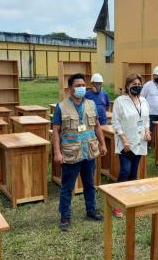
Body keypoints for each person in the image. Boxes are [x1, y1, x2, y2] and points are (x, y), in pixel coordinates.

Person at [52, 73, 108, 231]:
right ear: (70, 89)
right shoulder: (61, 107)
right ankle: (65, 216)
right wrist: (57, 152)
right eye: (77, 86)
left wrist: (103, 144)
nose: (81, 88)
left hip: (89, 151)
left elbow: (97, 126)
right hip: (71, 153)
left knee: (90, 183)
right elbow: (56, 131)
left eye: (83, 85)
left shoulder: (91, 104)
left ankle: (91, 210)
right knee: (67, 187)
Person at [111, 73, 151, 217]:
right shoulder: (120, 101)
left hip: (140, 142)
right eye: (134, 84)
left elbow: (146, 119)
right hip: (126, 144)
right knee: (125, 171)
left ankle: (130, 201)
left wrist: (147, 131)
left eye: (139, 84)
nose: (137, 87)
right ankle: (116, 203)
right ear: (127, 86)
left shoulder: (144, 101)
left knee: (134, 172)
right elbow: (115, 122)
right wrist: (124, 139)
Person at [140, 66, 158, 143]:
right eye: (157, 76)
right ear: (153, 75)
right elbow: (142, 97)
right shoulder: (147, 85)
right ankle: (148, 145)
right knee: (149, 129)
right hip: (150, 113)